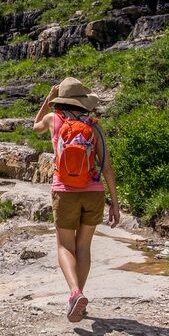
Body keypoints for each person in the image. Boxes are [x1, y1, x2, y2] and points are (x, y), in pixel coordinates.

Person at [33, 77, 119, 322]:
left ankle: (74, 293)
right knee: (83, 247)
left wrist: (47, 100)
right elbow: (107, 167)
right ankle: (78, 297)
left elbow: (34, 126)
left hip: (64, 191)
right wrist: (115, 203)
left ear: (61, 100)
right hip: (93, 192)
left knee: (64, 246)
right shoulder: (94, 126)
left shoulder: (54, 120)